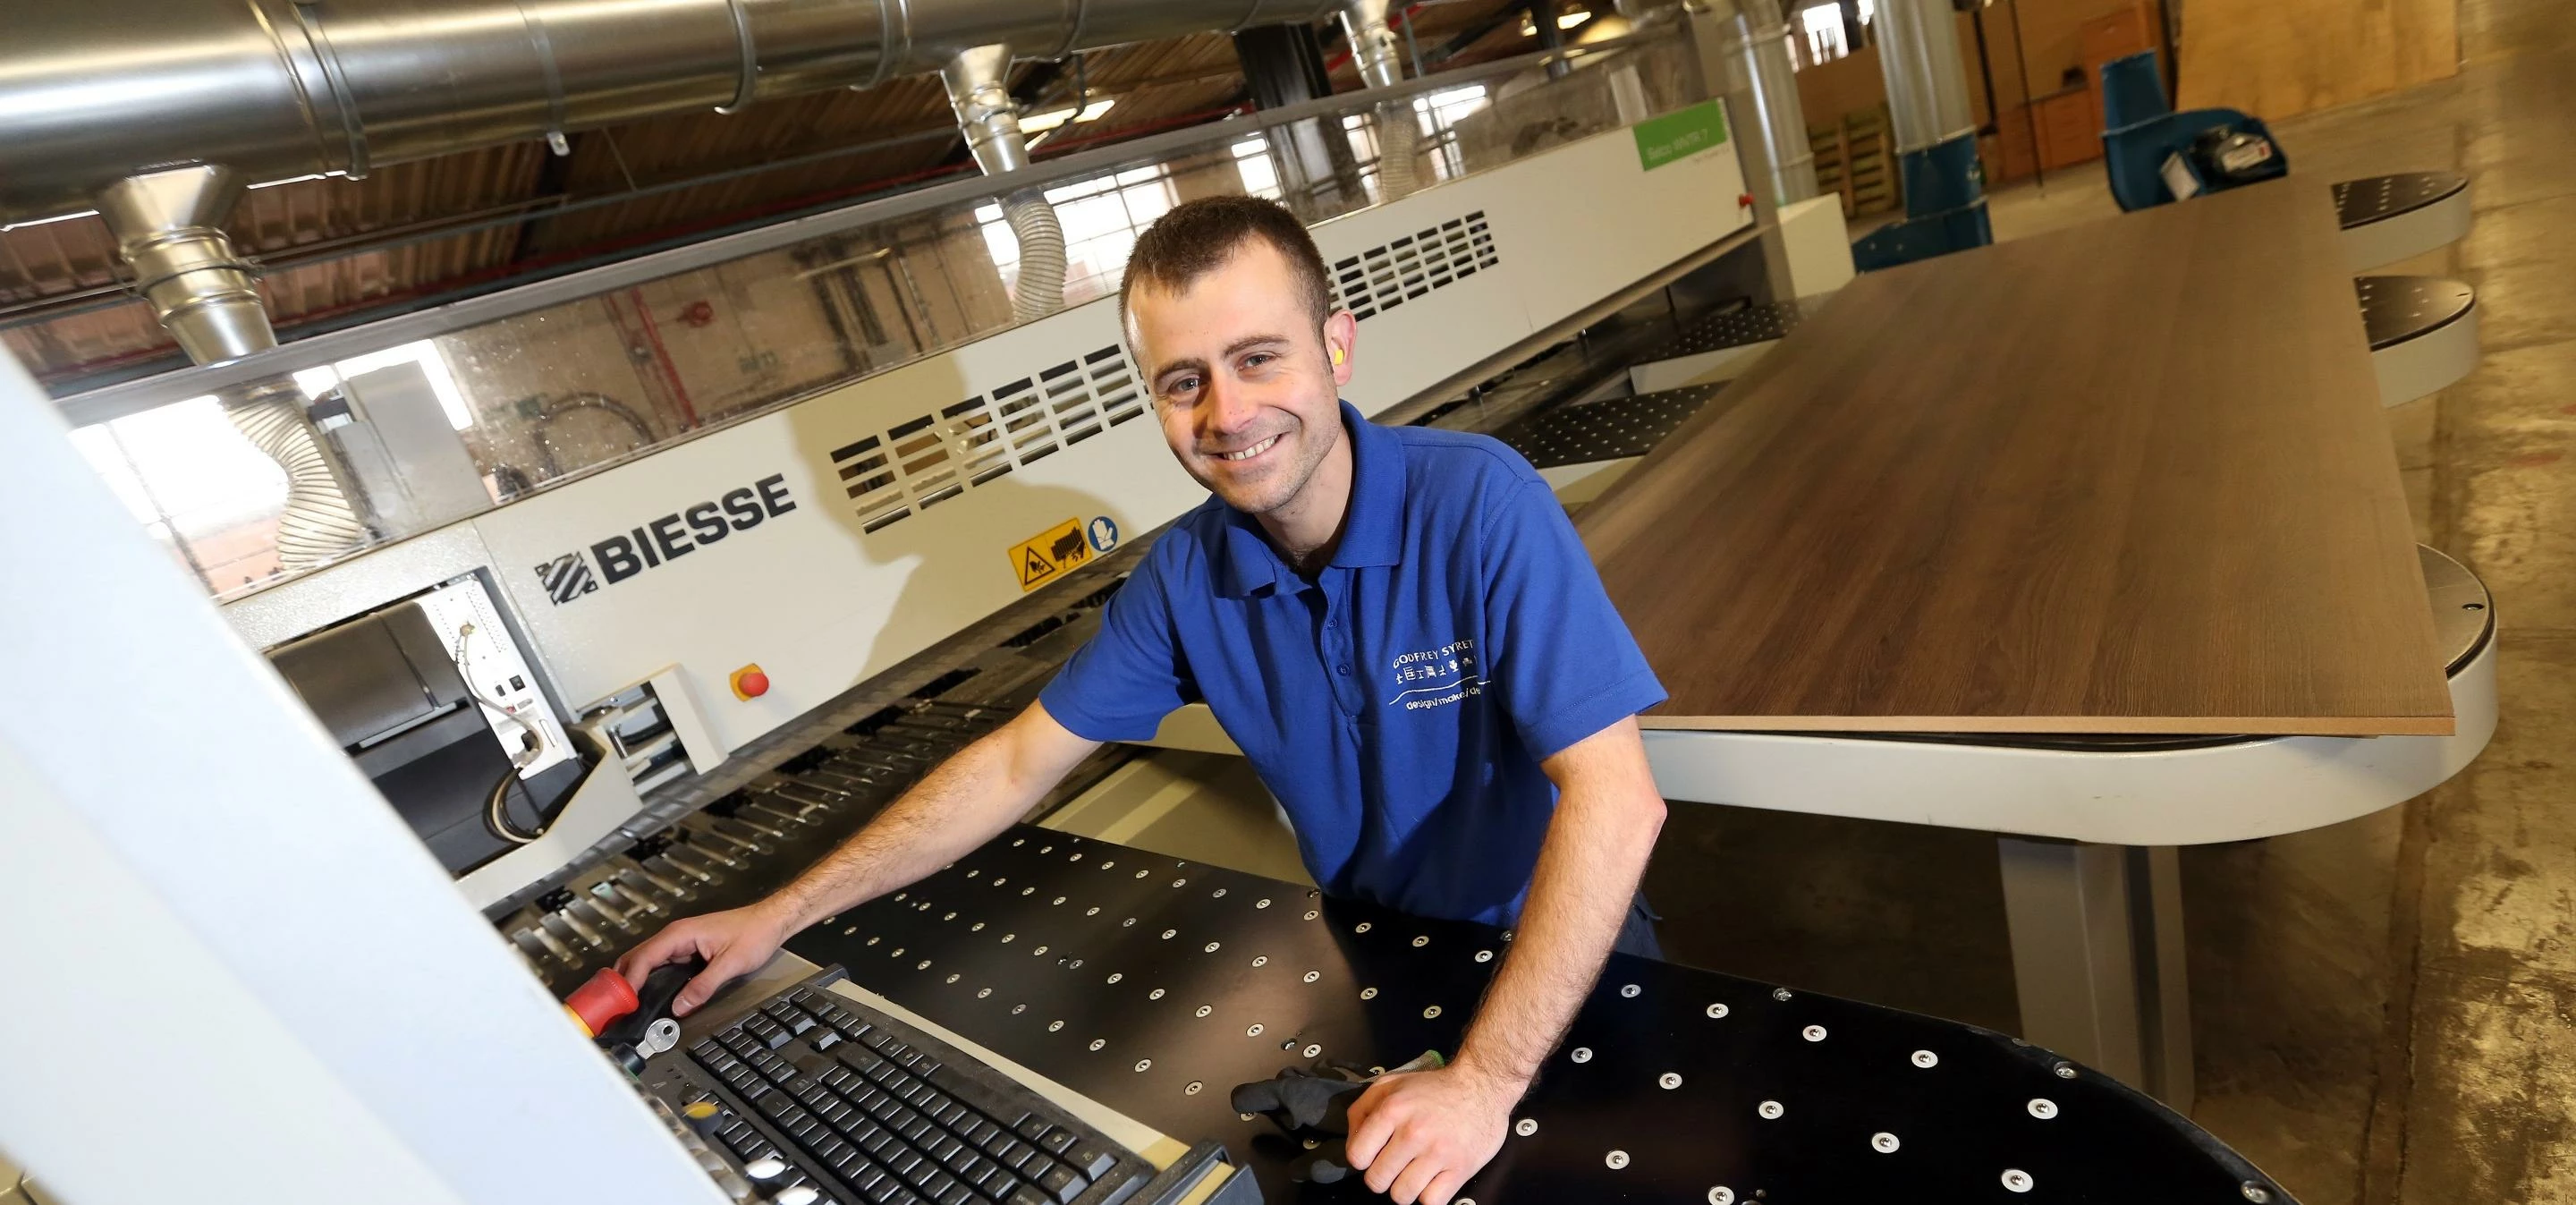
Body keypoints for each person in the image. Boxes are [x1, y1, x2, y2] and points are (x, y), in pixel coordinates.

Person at [620, 195, 1670, 1205]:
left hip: (1562, 960)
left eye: (1259, 358)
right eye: (1184, 381)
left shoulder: (1481, 501)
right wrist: (779, 914)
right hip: (1385, 956)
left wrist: (1483, 1085)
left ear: (1336, 348)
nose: (1229, 414)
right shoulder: (1185, 578)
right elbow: (1014, 764)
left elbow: (1617, 802)